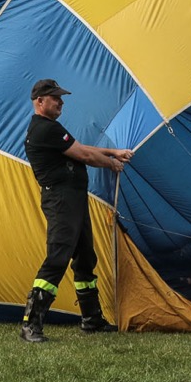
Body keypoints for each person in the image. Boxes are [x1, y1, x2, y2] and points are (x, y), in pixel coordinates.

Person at [20, 78, 133, 343]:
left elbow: (80, 148)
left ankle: (91, 319)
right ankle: (30, 325)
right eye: (56, 98)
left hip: (73, 200)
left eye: (61, 97)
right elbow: (84, 156)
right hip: (61, 202)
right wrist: (111, 164)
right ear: (40, 101)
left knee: (84, 258)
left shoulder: (51, 128)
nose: (61, 102)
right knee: (57, 258)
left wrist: (113, 151)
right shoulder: (44, 129)